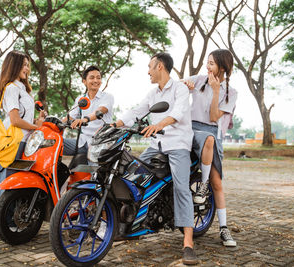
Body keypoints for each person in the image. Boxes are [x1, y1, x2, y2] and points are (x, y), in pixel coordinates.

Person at [114, 53, 200, 265]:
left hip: (178, 144)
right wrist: (114, 125)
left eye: (150, 67)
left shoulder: (179, 88)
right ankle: (134, 221)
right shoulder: (153, 93)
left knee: (181, 188)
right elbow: (138, 111)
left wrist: (159, 125)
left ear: (160, 66)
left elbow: (179, 112)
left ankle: (188, 243)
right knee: (130, 173)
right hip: (156, 145)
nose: (148, 71)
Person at [183, 49, 237, 247]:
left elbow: (214, 117)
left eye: (212, 63)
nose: (208, 67)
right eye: (207, 63)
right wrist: (184, 84)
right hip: (190, 128)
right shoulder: (199, 79)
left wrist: (215, 92)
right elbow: (175, 86)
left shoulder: (231, 92)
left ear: (222, 67)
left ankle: (223, 229)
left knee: (217, 183)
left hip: (212, 131)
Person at [0, 50, 46, 198]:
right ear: (14, 66)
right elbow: (15, 120)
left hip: (24, 141)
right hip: (14, 143)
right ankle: (6, 221)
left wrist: (38, 120)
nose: (27, 69)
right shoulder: (11, 88)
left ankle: (14, 219)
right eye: (24, 65)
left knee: (19, 185)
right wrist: (37, 127)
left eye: (28, 65)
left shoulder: (23, 89)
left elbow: (25, 119)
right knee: (9, 185)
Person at [63, 66, 114, 156]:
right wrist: (51, 123)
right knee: (54, 143)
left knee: (92, 169)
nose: (96, 81)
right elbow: (70, 117)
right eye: (92, 78)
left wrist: (84, 119)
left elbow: (101, 110)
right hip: (82, 141)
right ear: (84, 81)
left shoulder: (107, 97)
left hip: (100, 143)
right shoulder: (81, 99)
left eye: (98, 78)